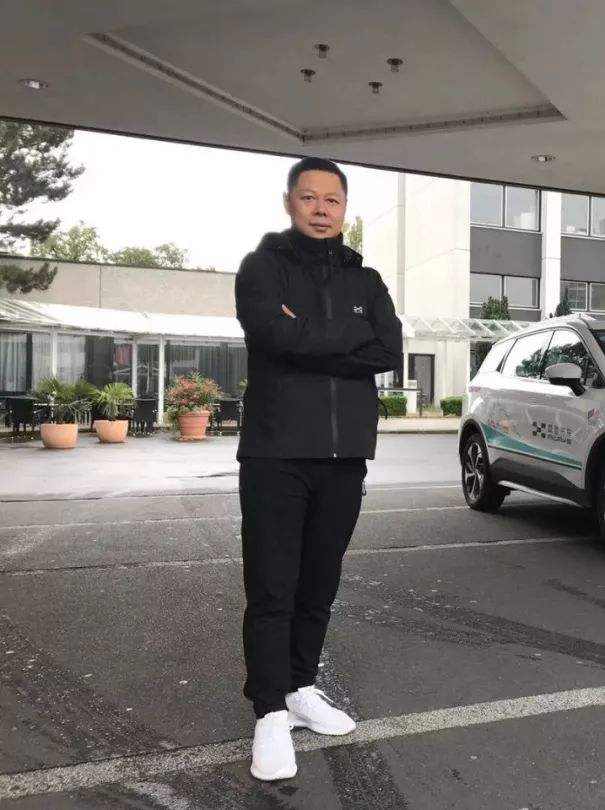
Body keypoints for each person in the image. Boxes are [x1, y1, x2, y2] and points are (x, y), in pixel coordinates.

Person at [234, 156, 402, 781]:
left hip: (344, 457)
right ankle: (269, 713)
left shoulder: (367, 279)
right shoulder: (261, 268)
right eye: (309, 197)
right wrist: (347, 340)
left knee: (318, 586)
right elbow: (270, 337)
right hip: (276, 455)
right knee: (272, 589)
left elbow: (389, 349)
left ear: (345, 208)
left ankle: (300, 688)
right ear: (289, 203)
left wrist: (306, 333)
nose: (322, 209)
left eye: (332, 200)